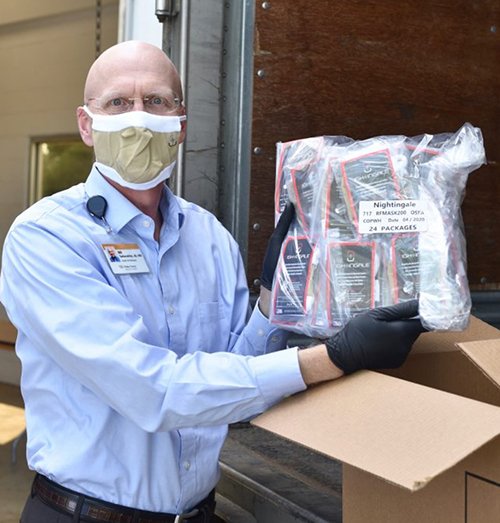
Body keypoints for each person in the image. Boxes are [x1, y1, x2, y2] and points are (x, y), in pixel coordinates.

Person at [0, 41, 425, 523]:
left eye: (157, 101)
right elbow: (152, 392)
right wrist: (332, 357)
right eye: (119, 102)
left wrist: (272, 300)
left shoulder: (209, 237)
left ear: (180, 125)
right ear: (86, 124)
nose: (139, 118)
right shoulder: (47, 237)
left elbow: (236, 392)